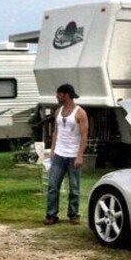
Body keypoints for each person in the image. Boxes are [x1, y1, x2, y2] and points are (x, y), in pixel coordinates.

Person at [45, 83, 88, 225]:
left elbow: (84, 135)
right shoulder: (58, 111)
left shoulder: (80, 112)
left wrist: (80, 155)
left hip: (73, 156)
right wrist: (52, 150)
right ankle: (51, 215)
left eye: (59, 94)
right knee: (52, 186)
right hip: (59, 154)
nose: (57, 97)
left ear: (66, 95)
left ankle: (73, 214)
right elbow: (56, 132)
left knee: (74, 188)